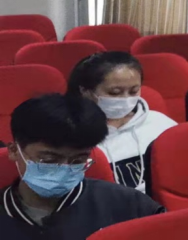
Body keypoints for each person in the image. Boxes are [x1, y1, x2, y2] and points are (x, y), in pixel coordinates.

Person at [1, 94, 164, 239]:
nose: (64, 169)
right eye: (49, 160)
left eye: (78, 160)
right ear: (14, 151)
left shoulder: (129, 204)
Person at [66, 52, 177, 193]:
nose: (125, 99)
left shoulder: (160, 123)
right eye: (114, 92)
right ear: (85, 91)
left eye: (133, 91)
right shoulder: (71, 134)